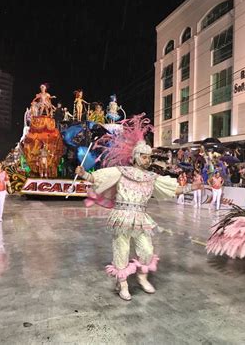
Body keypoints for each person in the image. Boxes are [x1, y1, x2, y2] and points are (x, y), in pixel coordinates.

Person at [79, 114, 188, 301]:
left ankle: (142, 277)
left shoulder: (152, 177)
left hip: (141, 219)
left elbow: (172, 188)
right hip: (122, 216)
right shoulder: (121, 171)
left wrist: (193, 187)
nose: (147, 160)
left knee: (146, 249)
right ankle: (122, 283)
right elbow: (100, 177)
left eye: (149, 157)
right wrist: (85, 174)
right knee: (121, 249)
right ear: (136, 157)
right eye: (144, 156)